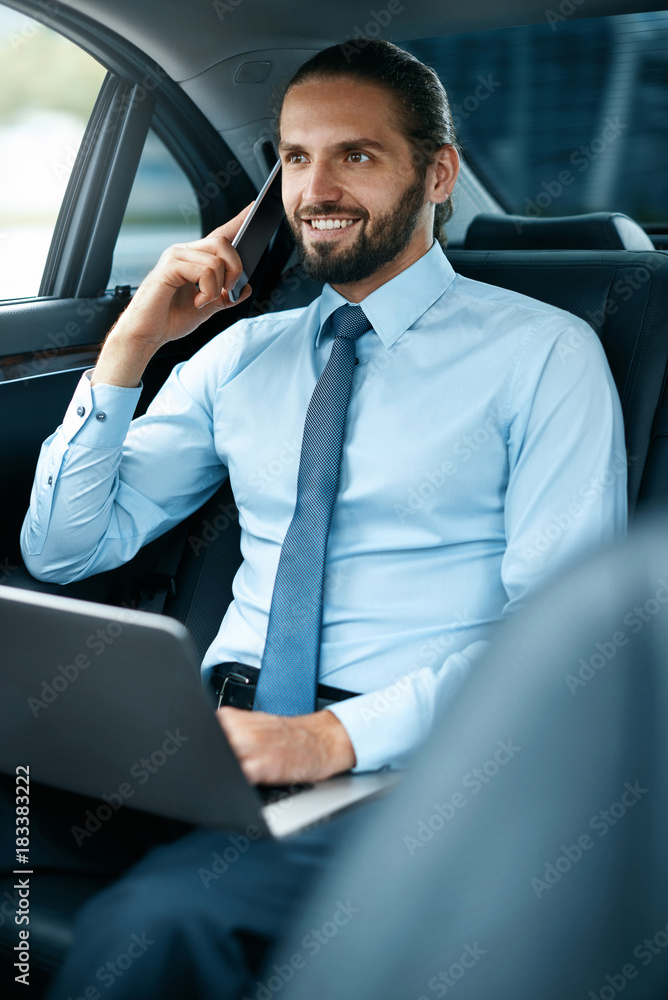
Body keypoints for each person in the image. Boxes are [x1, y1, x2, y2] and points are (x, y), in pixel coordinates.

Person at [15, 38, 625, 997]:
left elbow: (560, 651)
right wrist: (131, 346)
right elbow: (62, 549)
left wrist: (329, 739)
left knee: (158, 920)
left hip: (400, 768)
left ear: (439, 173)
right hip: (202, 738)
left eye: (356, 154)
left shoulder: (544, 357)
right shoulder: (239, 354)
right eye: (295, 157)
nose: (317, 187)